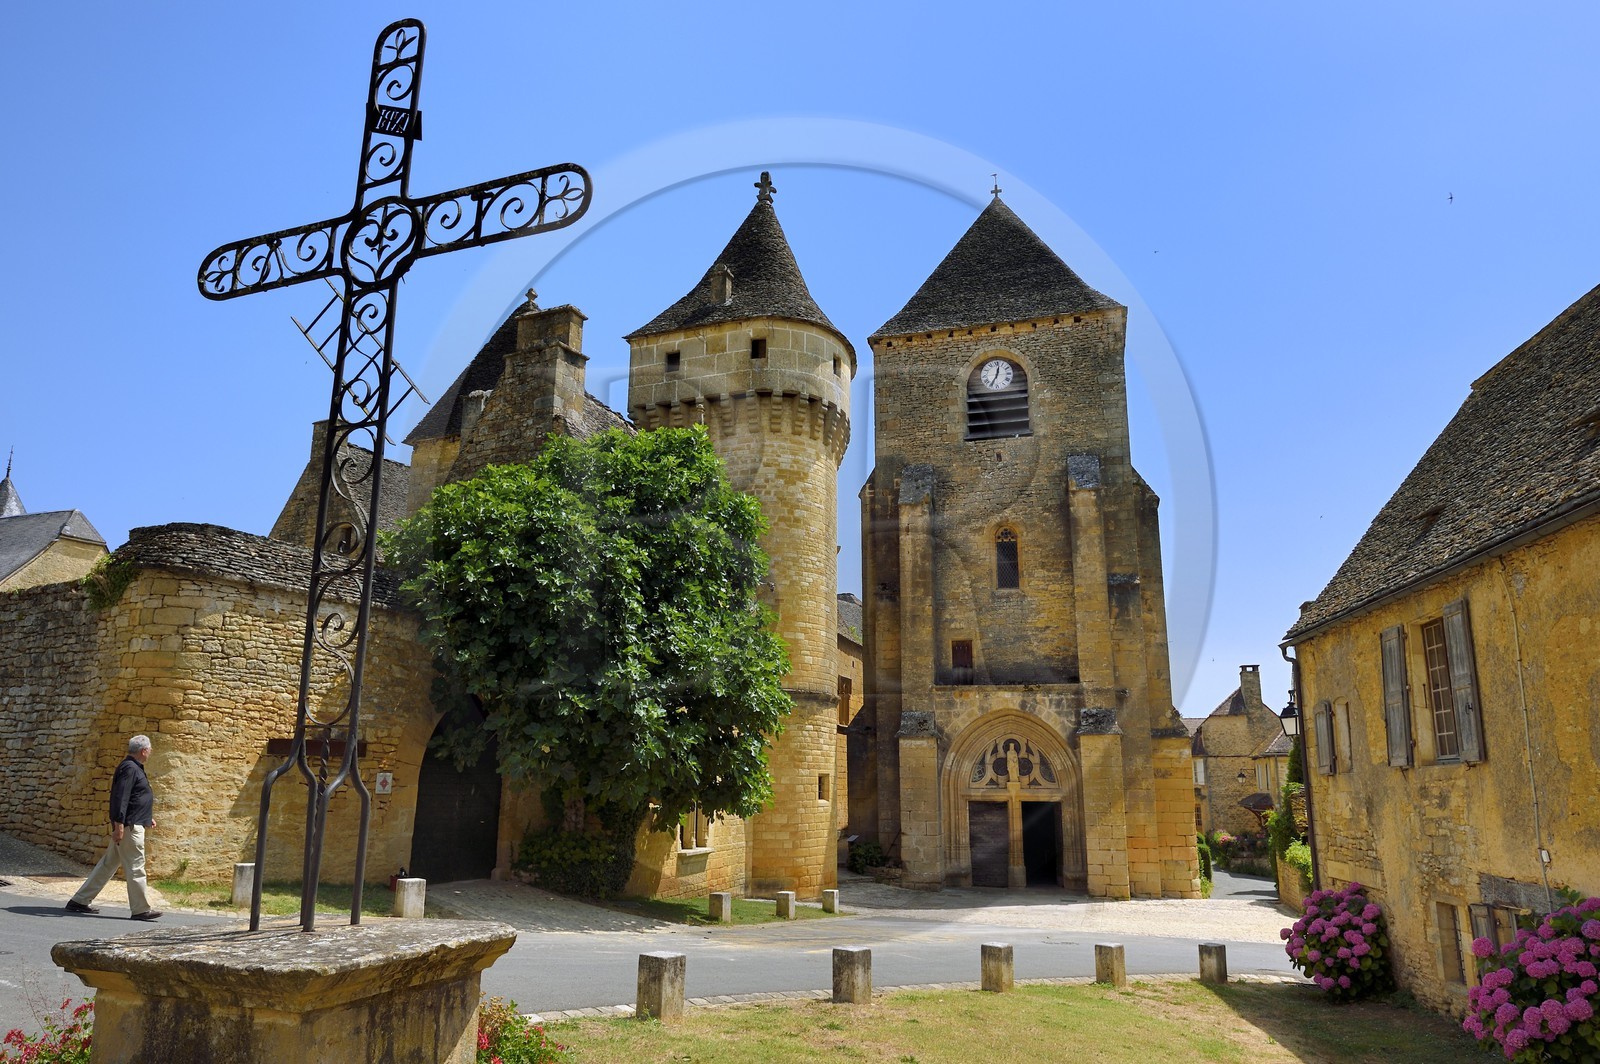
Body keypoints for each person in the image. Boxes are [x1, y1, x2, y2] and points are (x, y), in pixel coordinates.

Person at [66, 734, 161, 920]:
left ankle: (79, 901)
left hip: (133, 823)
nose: (150, 752)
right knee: (136, 867)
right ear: (143, 750)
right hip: (129, 828)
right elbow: (121, 798)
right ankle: (141, 909)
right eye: (149, 749)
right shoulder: (130, 768)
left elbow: (134, 798)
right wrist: (119, 826)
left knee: (107, 865)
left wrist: (147, 818)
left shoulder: (133, 768)